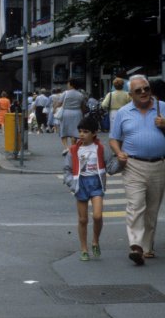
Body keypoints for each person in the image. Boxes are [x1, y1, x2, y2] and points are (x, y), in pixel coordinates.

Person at [108, 74, 165, 266]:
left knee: (152, 208)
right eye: (138, 90)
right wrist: (118, 152)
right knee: (135, 205)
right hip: (133, 164)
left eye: (146, 89)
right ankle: (135, 246)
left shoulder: (163, 108)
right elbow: (114, 138)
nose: (143, 93)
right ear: (130, 94)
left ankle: (147, 247)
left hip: (159, 164)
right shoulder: (124, 112)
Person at [63, 115, 106, 261]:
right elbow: (67, 169)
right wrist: (71, 183)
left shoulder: (99, 148)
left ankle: (95, 241)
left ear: (94, 133)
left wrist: (121, 161)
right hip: (81, 184)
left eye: (85, 131)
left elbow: (109, 165)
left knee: (97, 216)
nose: (81, 134)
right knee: (82, 219)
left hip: (96, 184)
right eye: (80, 131)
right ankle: (84, 248)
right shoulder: (74, 150)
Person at [59, 79, 86, 155]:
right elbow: (83, 106)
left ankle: (66, 147)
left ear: (71, 84)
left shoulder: (65, 93)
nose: (67, 85)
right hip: (77, 113)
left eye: (68, 83)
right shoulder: (80, 94)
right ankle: (73, 147)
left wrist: (54, 108)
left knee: (64, 130)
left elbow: (59, 103)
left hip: (66, 113)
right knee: (74, 131)